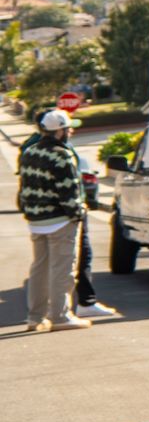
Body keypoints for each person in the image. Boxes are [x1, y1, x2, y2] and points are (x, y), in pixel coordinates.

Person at [17, 105, 88, 332]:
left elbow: (24, 188)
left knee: (39, 268)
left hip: (36, 220)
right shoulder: (62, 155)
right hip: (60, 220)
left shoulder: (30, 152)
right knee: (62, 268)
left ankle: (34, 317)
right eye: (68, 129)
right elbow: (68, 191)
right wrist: (78, 214)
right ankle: (59, 316)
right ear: (60, 132)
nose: (70, 133)